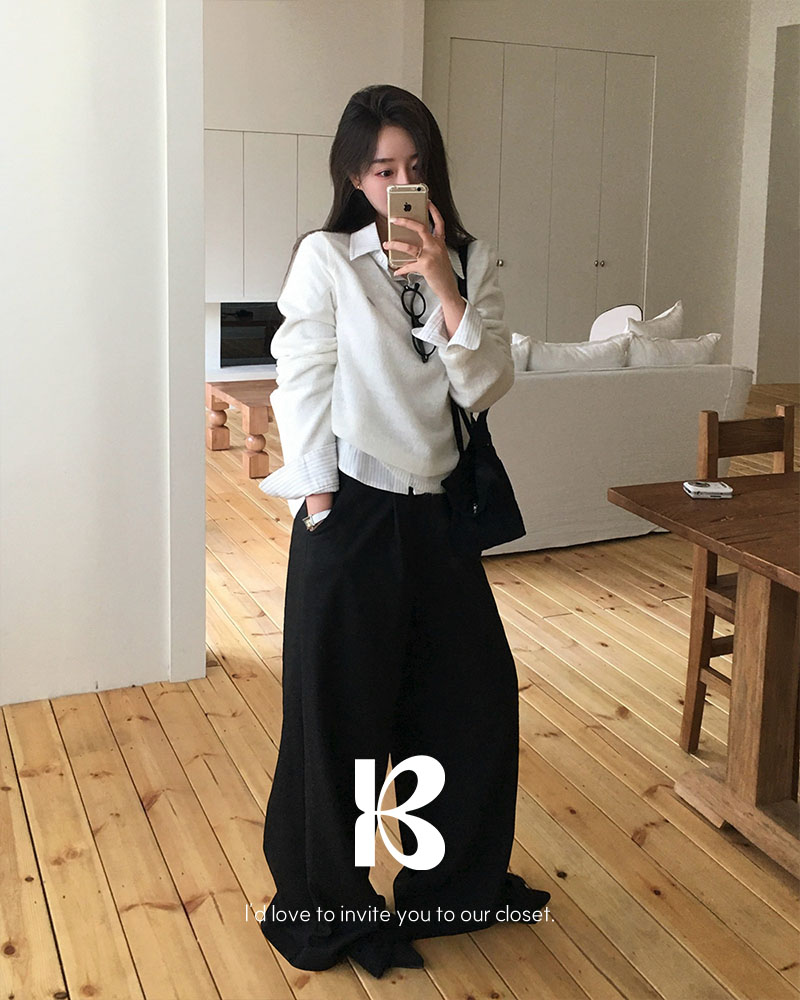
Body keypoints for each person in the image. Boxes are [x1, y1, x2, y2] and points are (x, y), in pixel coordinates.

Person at [257, 83, 551, 980]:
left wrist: (442, 281)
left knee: (471, 706)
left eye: (415, 166)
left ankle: (452, 888)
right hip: (351, 511)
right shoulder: (327, 259)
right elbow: (300, 377)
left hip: (440, 516)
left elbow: (484, 384)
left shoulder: (471, 260)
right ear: (354, 175)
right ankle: (333, 908)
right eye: (383, 169)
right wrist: (318, 501)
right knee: (338, 719)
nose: (400, 184)